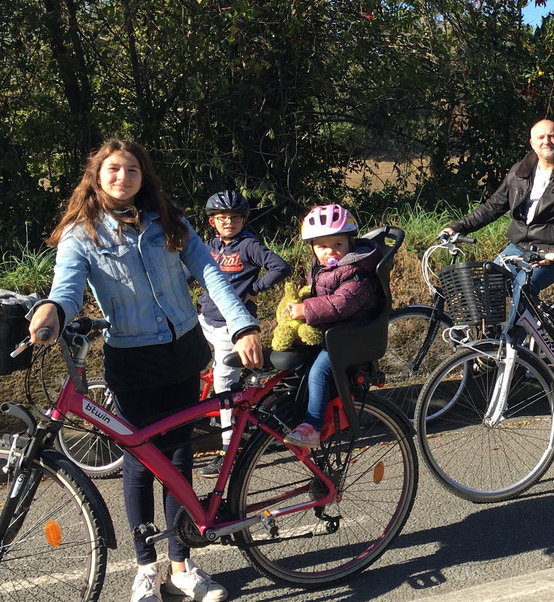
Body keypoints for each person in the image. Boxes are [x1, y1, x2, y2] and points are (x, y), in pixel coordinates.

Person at [26, 140, 263, 602]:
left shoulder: (166, 218)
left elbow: (210, 271)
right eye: (113, 169)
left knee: (177, 459)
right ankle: (145, 568)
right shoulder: (82, 233)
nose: (122, 177)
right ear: (97, 176)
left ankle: (182, 566)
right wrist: (52, 310)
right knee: (138, 463)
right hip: (131, 361)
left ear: (142, 175)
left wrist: (242, 325)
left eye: (131, 169)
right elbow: (68, 289)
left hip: (182, 353)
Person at [196, 190, 291, 477]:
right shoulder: (208, 246)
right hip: (205, 320)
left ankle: (229, 450)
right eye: (222, 217)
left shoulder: (249, 246)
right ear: (213, 222)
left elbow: (280, 267)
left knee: (224, 387)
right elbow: (189, 272)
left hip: (233, 328)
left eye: (235, 217)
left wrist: (253, 290)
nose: (228, 222)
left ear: (243, 219)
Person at [282, 204, 384, 449]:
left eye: (338, 244)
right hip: (336, 331)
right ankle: (292, 412)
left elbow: (341, 304)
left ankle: (312, 427)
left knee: (319, 371)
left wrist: (305, 309)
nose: (331, 251)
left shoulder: (356, 270)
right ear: (312, 248)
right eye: (322, 246)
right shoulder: (323, 269)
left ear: (350, 242)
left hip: (354, 335)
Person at [442, 118, 554, 294]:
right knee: (486, 288)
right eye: (541, 137)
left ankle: (519, 323)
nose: (546, 141)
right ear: (532, 143)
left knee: (522, 288)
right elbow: (493, 206)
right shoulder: (519, 172)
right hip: (519, 247)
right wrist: (457, 227)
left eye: (552, 136)